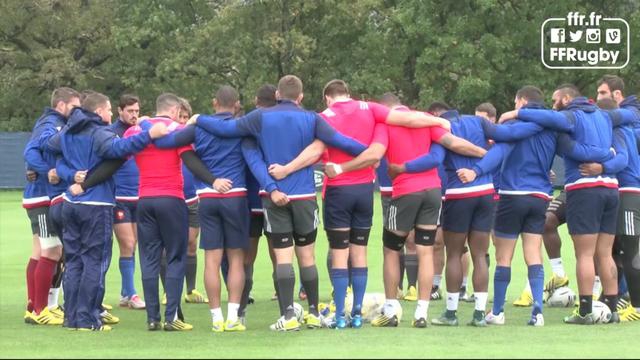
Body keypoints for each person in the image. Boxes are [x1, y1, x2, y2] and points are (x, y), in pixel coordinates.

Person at [190, 75, 391, 331]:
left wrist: (200, 119)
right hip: (305, 197)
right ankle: (314, 313)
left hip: (275, 199)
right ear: (301, 96)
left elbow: (228, 130)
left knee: (282, 258)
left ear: (277, 95)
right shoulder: (312, 118)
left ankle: (287, 316)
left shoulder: (258, 118)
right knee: (307, 256)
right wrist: (369, 154)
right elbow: (341, 141)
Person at [499, 84, 632, 324]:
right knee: (604, 253)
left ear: (567, 99)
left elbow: (569, 144)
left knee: (584, 254)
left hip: (584, 189)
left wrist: (517, 113)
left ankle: (585, 311)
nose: (552, 106)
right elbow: (631, 117)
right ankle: (611, 310)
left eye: (554, 101)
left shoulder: (569, 118)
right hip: (611, 189)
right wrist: (605, 158)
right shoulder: (605, 116)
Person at [46, 91, 167, 331]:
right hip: (96, 204)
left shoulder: (68, 131)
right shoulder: (99, 132)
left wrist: (68, 173)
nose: (111, 114)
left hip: (70, 202)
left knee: (75, 261)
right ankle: (89, 319)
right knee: (95, 261)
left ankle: (72, 318)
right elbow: (118, 149)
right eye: (110, 109)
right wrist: (149, 135)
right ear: (99, 111)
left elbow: (49, 147)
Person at [124, 93, 218, 331]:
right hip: (172, 199)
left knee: (149, 258)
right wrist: (213, 180)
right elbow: (191, 160)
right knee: (176, 256)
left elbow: (119, 154)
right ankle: (172, 317)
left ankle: (152, 318)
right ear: (175, 110)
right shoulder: (178, 130)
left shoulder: (135, 131)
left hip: (143, 200)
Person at [22, 87, 80, 325]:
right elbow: (30, 152)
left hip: (39, 196)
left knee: (41, 251)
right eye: (74, 107)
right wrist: (48, 172)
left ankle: (34, 306)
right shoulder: (51, 124)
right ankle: (39, 310)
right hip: (42, 198)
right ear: (61, 105)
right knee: (52, 251)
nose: (76, 112)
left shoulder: (52, 122)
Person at [595, 75, 640, 321]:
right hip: (622, 193)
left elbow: (622, 161)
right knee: (619, 250)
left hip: (630, 193)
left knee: (632, 250)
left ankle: (637, 307)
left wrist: (600, 167)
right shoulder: (622, 130)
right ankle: (615, 298)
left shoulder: (620, 131)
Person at [110, 94, 146, 310]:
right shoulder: (112, 133)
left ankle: (125, 292)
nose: (134, 115)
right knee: (128, 244)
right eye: (130, 111)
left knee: (134, 246)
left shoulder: (143, 131)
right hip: (119, 198)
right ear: (119, 111)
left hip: (139, 197)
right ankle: (132, 294)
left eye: (136, 111)